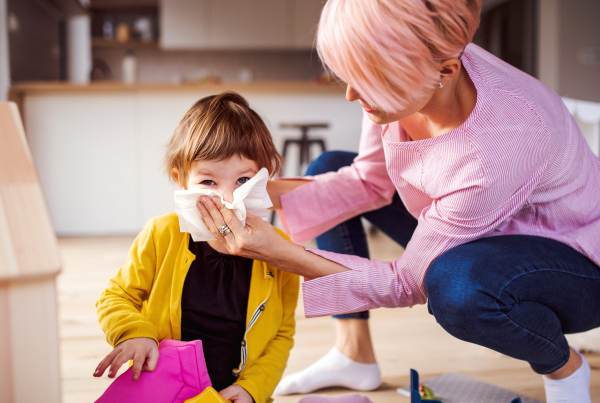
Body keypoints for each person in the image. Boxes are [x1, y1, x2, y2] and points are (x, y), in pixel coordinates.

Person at [195, 1, 600, 403]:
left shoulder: (500, 144)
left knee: (456, 286)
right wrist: (252, 191)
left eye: (367, 80)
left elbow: (406, 282)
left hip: (574, 260)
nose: (353, 94)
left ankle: (564, 368)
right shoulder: (408, 71)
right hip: (485, 227)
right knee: (330, 165)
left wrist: (281, 253)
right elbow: (369, 181)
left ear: (445, 72)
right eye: (349, 75)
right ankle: (354, 354)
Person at [93, 92, 299, 403]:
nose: (227, 199)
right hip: (164, 389)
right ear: (181, 180)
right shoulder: (163, 234)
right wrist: (136, 333)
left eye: (243, 180)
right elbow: (115, 296)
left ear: (263, 178)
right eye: (209, 182)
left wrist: (253, 388)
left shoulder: (279, 253)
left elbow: (282, 333)